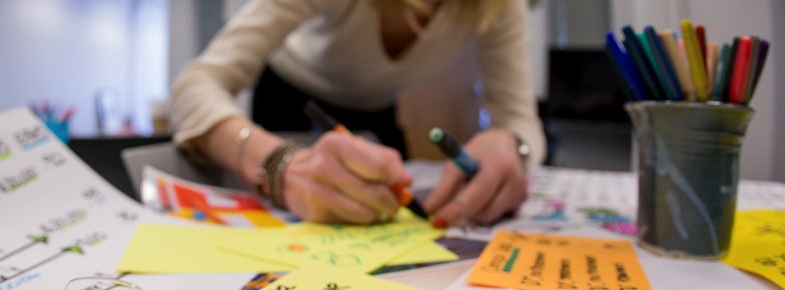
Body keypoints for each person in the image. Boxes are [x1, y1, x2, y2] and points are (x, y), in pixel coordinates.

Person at [169, 0, 544, 227]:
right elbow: (196, 83)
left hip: (378, 113)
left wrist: (512, 144)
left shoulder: (499, 7)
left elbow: (519, 120)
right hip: (288, 102)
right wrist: (278, 164)